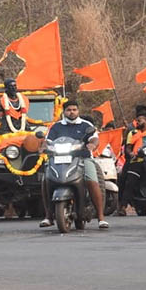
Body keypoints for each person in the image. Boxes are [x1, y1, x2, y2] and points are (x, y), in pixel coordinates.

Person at [39, 99, 108, 230]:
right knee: (46, 180)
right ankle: (48, 216)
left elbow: (94, 138)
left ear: (78, 111)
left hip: (82, 158)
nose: (72, 112)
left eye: (74, 110)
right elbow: (47, 141)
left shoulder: (85, 125)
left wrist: (92, 144)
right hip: (59, 159)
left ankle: (101, 217)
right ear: (64, 112)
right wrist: (43, 147)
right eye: (69, 110)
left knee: (91, 180)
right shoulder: (56, 126)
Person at [116, 105, 146, 215]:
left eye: (139, 120)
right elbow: (128, 147)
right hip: (137, 161)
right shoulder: (132, 133)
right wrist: (131, 153)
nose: (137, 123)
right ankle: (122, 207)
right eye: (136, 120)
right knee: (129, 180)